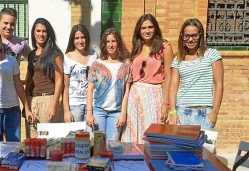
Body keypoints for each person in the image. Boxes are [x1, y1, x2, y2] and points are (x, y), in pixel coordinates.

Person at [121, 14, 173, 144]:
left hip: (153, 96)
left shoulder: (165, 47)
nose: (147, 31)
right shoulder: (137, 47)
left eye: (150, 27)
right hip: (135, 96)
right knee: (132, 135)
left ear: (155, 29)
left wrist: (166, 104)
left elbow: (168, 77)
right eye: (143, 28)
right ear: (139, 30)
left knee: (151, 136)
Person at [168, 18, 224, 131]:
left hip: (204, 114)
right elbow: (173, 87)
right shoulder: (178, 58)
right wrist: (173, 112)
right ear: (182, 36)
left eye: (194, 35)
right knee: (179, 148)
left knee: (205, 149)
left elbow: (219, 84)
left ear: (200, 35)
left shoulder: (212, 54)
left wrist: (214, 112)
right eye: (187, 36)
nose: (190, 39)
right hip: (181, 113)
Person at [86, 27, 130, 147]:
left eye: (113, 41)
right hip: (98, 111)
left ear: (118, 43)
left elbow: (126, 92)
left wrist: (123, 113)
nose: (110, 45)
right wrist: (89, 113)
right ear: (104, 44)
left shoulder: (125, 65)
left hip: (115, 113)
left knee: (112, 148)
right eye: (107, 42)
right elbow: (90, 90)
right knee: (96, 147)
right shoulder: (96, 64)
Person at [24, 18, 64, 138]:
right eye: (38, 31)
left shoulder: (54, 53)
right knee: (32, 142)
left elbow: (59, 80)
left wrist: (54, 105)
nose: (41, 34)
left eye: (44, 31)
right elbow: (30, 80)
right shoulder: (31, 54)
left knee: (47, 142)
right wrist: (26, 105)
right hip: (33, 101)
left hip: (48, 100)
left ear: (49, 33)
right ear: (33, 32)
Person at [63, 24, 97, 122]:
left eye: (83, 37)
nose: (80, 41)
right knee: (75, 136)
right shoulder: (67, 57)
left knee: (91, 136)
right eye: (77, 38)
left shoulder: (94, 55)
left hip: (91, 105)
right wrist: (66, 111)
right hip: (74, 106)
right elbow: (65, 86)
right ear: (72, 40)